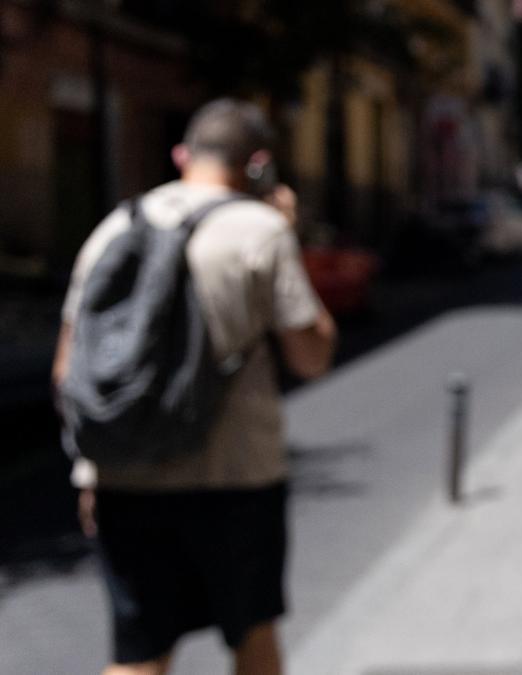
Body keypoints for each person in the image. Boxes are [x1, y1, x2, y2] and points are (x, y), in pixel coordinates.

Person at [52, 99, 337, 675]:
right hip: (235, 478)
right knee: (252, 637)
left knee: (138, 652)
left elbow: (68, 371)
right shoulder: (259, 230)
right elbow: (312, 357)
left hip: (125, 477)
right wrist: (287, 230)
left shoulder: (115, 227)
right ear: (258, 164)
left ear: (181, 155)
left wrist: (91, 469)